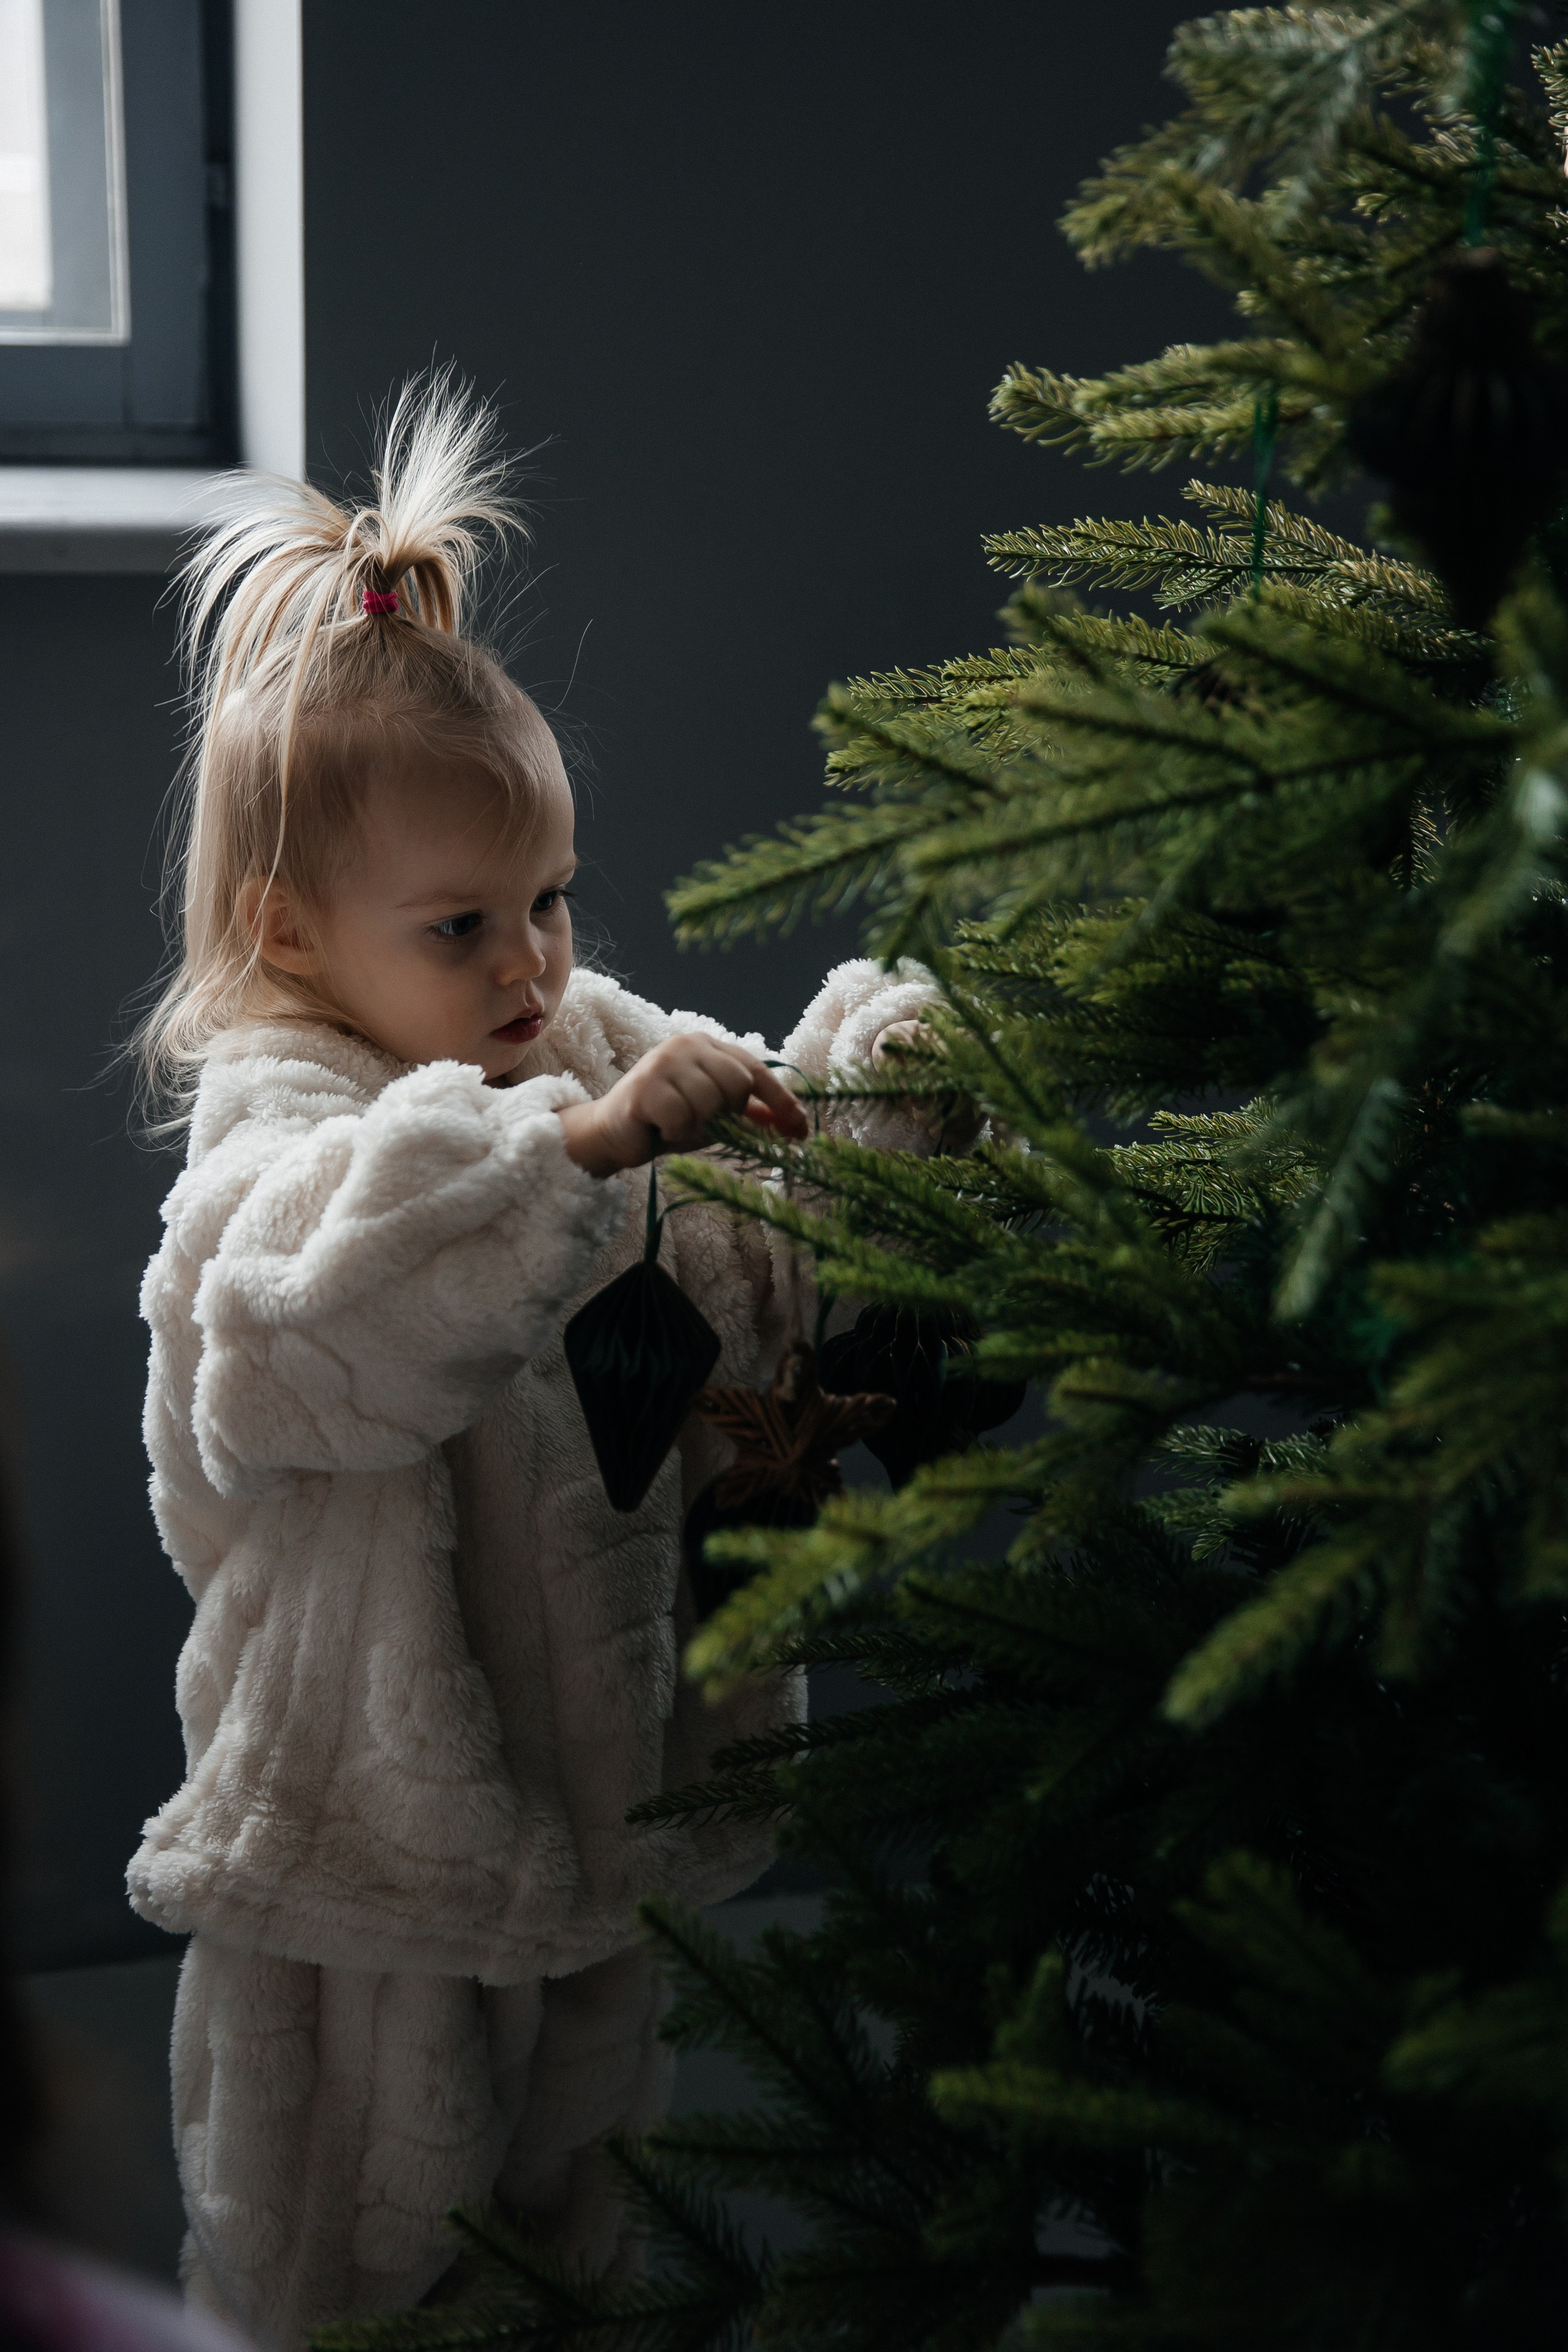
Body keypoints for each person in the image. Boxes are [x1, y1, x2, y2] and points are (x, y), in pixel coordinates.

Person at [124, 380, 940, 2350]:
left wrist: (869, 1095)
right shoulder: (277, 1142)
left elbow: (743, 1248)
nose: (533, 965)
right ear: (294, 932)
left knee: (582, 2195)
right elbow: (303, 1337)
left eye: (556, 900)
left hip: (599, 1781)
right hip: (371, 1838)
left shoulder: (573, 1048)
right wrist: (576, 1153)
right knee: (344, 2240)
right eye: (465, 924)